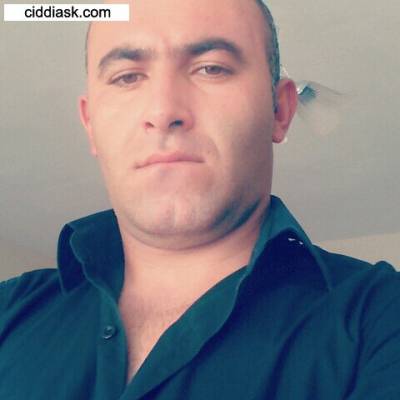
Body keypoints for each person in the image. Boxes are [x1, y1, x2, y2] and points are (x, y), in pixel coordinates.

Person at [1, 0, 399, 399]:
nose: (163, 111)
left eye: (211, 68)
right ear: (90, 125)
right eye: (127, 77)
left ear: (279, 110)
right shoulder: (8, 309)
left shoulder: (382, 317)